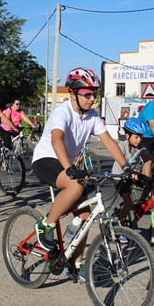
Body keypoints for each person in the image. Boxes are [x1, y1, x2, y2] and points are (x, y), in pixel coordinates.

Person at [31, 67, 131, 281]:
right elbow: (57, 140)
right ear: (72, 93)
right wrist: (70, 169)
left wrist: (127, 167)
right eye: (87, 94)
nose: (92, 98)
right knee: (75, 186)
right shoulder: (62, 112)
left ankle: (76, 264)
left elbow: (109, 142)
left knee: (85, 216)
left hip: (67, 165)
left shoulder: (92, 116)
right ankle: (46, 225)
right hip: (46, 159)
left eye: (94, 94)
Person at [111, 118, 154, 221]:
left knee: (150, 182)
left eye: (141, 137)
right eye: (136, 137)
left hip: (132, 174)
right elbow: (120, 161)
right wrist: (128, 173)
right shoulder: (121, 146)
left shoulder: (140, 147)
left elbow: (153, 158)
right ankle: (120, 225)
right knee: (128, 202)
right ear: (127, 136)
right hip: (119, 177)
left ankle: (142, 201)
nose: (139, 140)